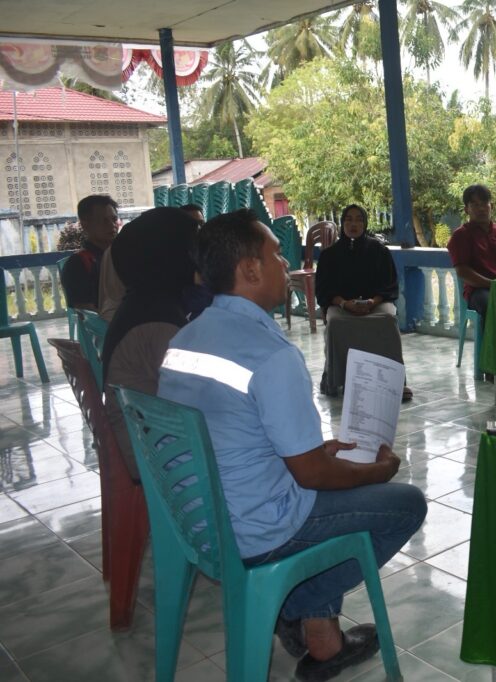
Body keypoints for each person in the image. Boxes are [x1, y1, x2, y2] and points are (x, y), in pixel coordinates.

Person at [158, 209, 426, 681]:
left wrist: (315, 452)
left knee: (331, 480)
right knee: (405, 504)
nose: (286, 264)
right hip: (257, 528)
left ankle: (322, 638)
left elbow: (234, 432)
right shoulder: (270, 355)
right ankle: (296, 603)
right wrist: (375, 472)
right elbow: (312, 476)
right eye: (277, 255)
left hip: (197, 518)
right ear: (250, 270)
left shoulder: (184, 338)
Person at [101, 207, 201, 479]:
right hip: (159, 464)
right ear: (170, 256)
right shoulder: (158, 323)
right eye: (192, 247)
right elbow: (200, 401)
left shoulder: (146, 302)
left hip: (151, 447)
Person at [315, 204, 409, 400]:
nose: (353, 224)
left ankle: (394, 382)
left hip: (375, 304)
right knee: (336, 322)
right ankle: (335, 378)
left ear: (365, 224)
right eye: (349, 219)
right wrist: (344, 304)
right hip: (341, 306)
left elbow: (390, 285)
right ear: (342, 223)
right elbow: (324, 290)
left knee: (387, 319)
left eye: (359, 220)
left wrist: (372, 302)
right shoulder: (329, 255)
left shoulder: (379, 251)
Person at [446, 184, 496, 318]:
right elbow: (462, 271)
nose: (481, 208)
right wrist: (493, 285)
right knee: (490, 303)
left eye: (484, 203)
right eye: (475, 205)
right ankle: (492, 333)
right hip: (479, 290)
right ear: (466, 209)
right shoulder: (461, 235)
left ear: (492, 206)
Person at [61, 194, 119, 311]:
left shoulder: (123, 254)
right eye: (103, 221)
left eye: (114, 219)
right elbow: (86, 312)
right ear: (85, 225)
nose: (112, 225)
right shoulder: (78, 263)